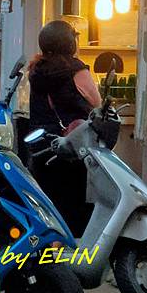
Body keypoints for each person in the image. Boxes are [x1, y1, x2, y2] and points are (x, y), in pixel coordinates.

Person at [28, 20, 101, 236]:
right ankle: (71, 249)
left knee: (49, 201)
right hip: (70, 144)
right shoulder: (75, 68)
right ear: (69, 42)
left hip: (42, 145)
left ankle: (50, 245)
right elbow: (96, 102)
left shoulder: (36, 70)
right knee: (72, 200)